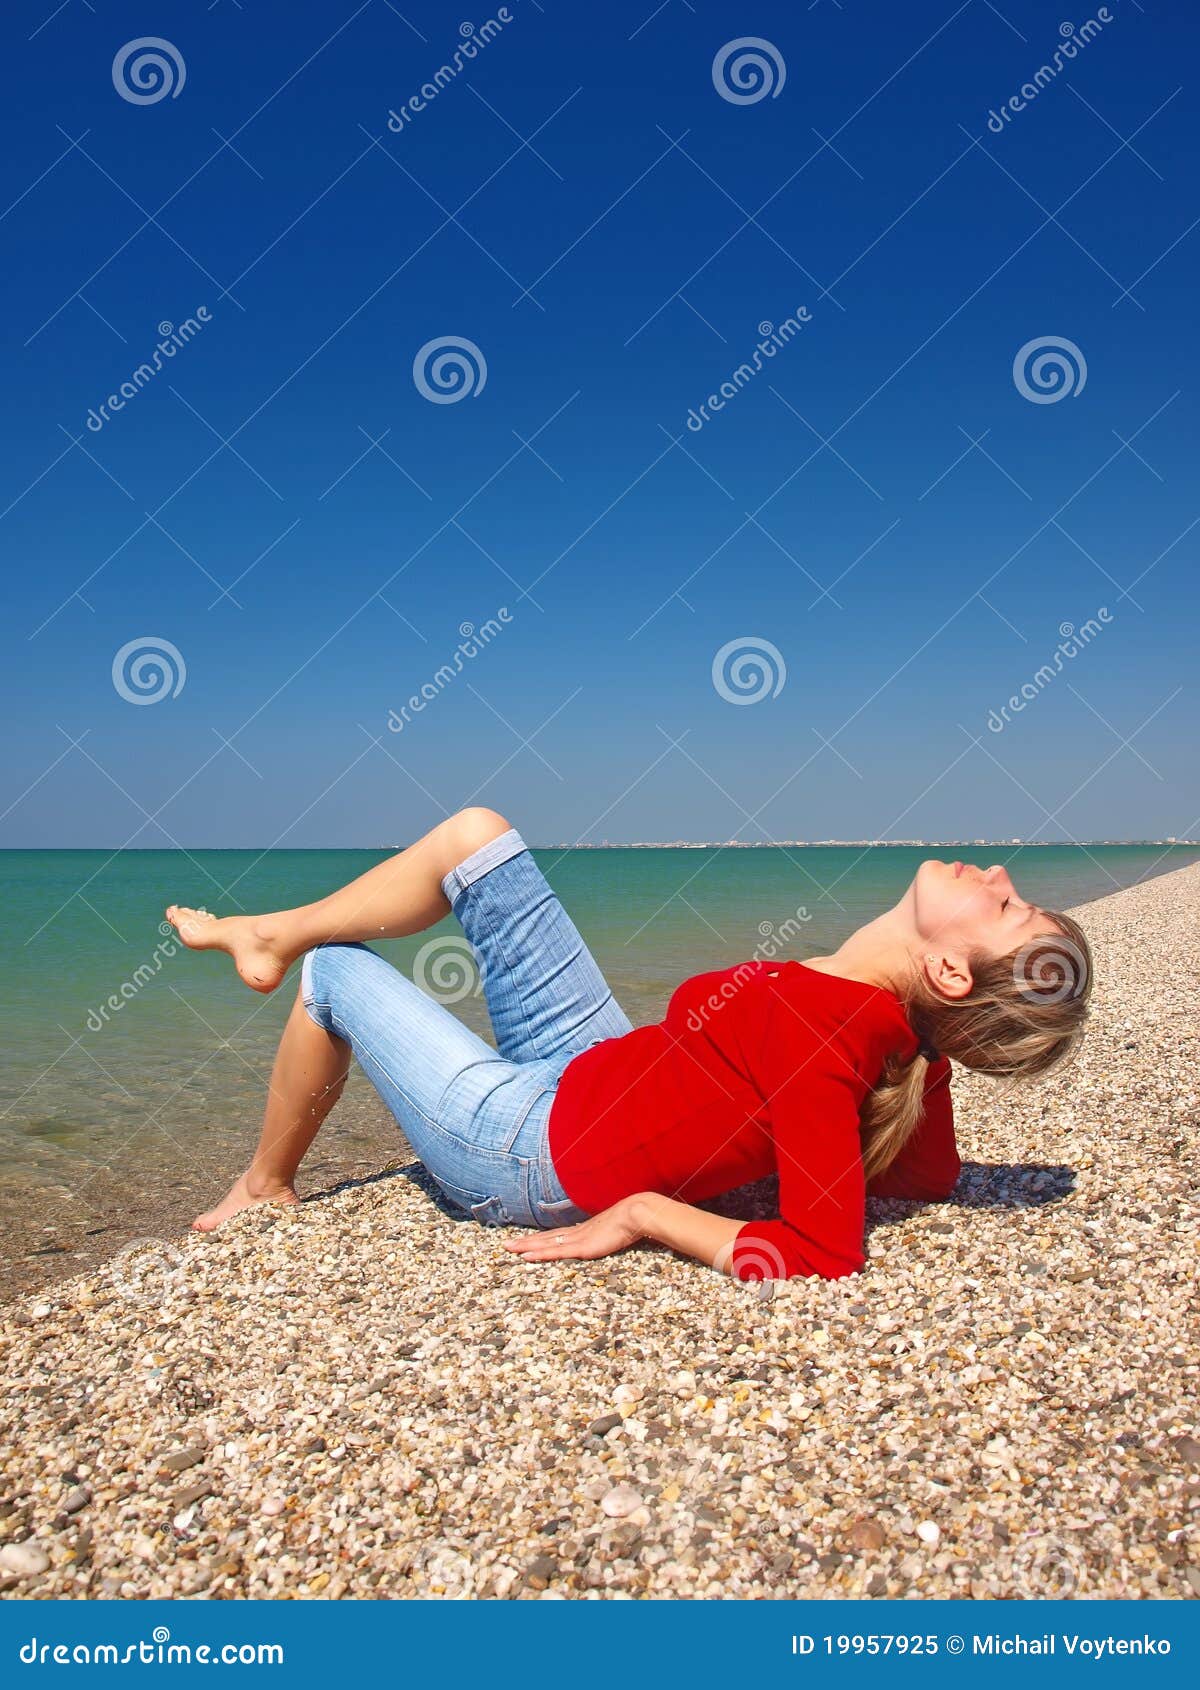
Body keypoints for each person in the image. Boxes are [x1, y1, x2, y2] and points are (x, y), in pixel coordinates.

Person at [165, 808, 1091, 1279]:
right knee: (476, 839)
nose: (1000, 874)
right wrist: (928, 1056)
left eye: (1005, 907)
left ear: (953, 975)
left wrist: (646, 1214)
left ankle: (263, 1183)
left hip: (524, 1150)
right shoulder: (887, 1038)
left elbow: (822, 1249)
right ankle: (272, 931)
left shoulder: (825, 1034)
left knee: (334, 975)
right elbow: (919, 1181)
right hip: (599, 1065)